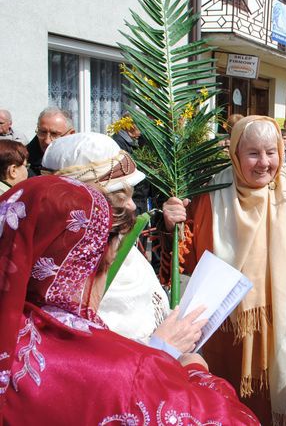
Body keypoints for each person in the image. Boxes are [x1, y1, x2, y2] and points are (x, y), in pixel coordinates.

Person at [0, 176, 258, 424]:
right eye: (110, 263)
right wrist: (194, 371)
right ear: (84, 267)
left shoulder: (12, 337)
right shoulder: (129, 372)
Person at [162, 115, 286, 424]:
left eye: (271, 152)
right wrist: (170, 226)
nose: (264, 163)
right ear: (236, 154)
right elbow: (184, 260)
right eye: (253, 153)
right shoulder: (212, 196)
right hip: (227, 336)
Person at [41, 132, 203, 358]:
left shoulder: (113, 243)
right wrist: (163, 348)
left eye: (130, 194)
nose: (131, 207)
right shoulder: (63, 278)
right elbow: (87, 365)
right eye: (118, 196)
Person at [26, 107, 75, 175]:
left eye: (54, 134)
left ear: (71, 134)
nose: (47, 141)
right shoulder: (21, 161)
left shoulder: (82, 160)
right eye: (43, 132)